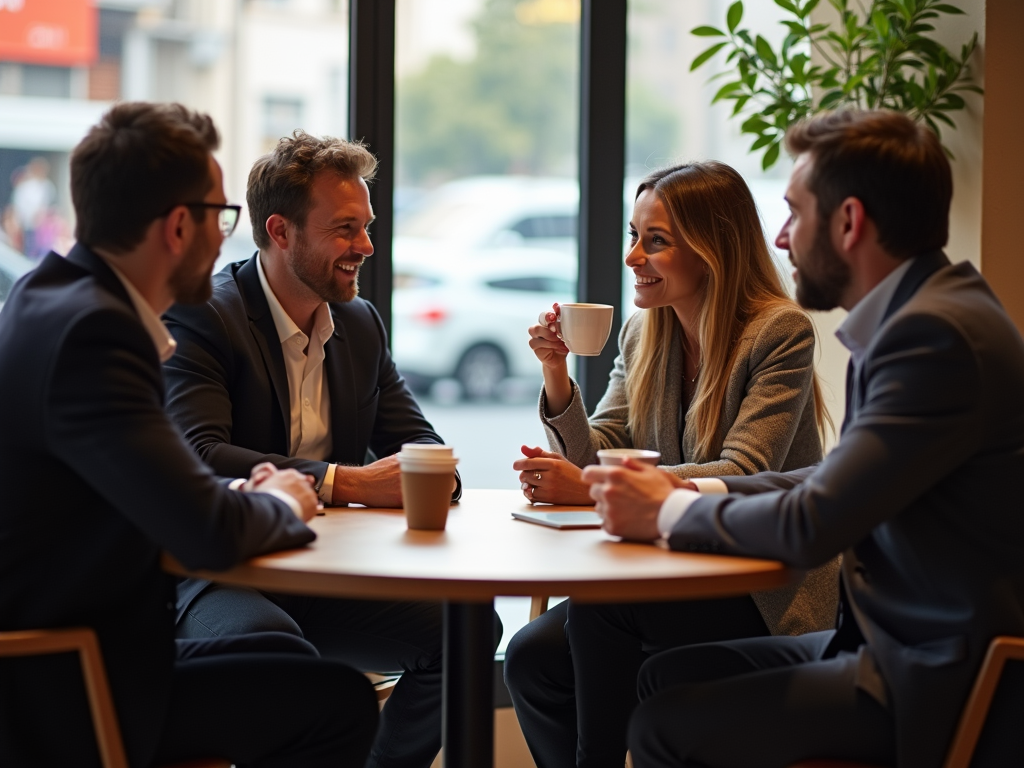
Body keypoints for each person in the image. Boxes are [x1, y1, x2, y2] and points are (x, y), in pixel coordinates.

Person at [582, 110, 1024, 768]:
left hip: (936, 673)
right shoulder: (921, 317)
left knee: (663, 725)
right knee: (663, 677)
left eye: (794, 212)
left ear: (848, 222)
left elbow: (815, 522)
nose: (782, 239)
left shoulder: (932, 338)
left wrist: (668, 509)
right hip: (887, 644)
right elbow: (829, 482)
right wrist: (682, 489)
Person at [0, 102, 378, 767]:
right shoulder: (97, 335)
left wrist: (242, 495)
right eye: (221, 217)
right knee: (338, 702)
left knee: (281, 656)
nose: (225, 239)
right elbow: (204, 529)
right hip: (68, 686)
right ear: (179, 226)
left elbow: (167, 484)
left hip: (72, 652)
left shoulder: (44, 297)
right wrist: (286, 499)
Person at [162, 130, 496, 768]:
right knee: (279, 660)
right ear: (280, 232)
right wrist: (346, 482)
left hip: (322, 574)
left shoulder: (360, 323)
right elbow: (200, 454)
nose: (366, 246)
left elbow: (419, 444)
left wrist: (432, 476)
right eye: (345, 229)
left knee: (470, 634)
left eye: (366, 227)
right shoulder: (206, 314)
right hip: (220, 574)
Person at [504, 161, 840, 768]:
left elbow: (742, 470)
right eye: (634, 237)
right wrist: (556, 374)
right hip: (667, 570)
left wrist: (591, 488)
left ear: (714, 249)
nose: (633, 256)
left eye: (654, 241)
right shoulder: (644, 333)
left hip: (759, 586)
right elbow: (599, 447)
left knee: (602, 608)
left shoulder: (778, 331)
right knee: (532, 659)